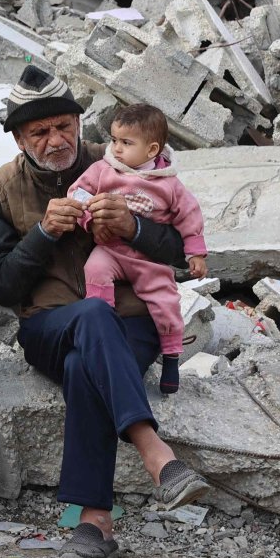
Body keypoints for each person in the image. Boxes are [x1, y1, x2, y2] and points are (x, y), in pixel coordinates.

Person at [0, 66, 208, 558]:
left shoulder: (126, 160)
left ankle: (93, 524)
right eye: (40, 132)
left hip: (129, 321)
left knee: (88, 363)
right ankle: (155, 453)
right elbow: (0, 287)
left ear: (80, 124)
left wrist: (136, 227)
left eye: (64, 126)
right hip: (49, 326)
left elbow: (177, 253)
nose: (56, 139)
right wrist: (42, 235)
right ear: (19, 138)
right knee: (87, 321)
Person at [70, 103, 208, 396]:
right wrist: (89, 221)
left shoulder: (169, 184)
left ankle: (171, 356)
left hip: (147, 258)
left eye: (126, 143)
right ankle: (104, 325)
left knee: (165, 300)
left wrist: (196, 253)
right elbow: (77, 193)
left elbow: (189, 216)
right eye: (115, 140)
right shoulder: (103, 170)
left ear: (151, 149)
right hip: (110, 249)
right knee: (93, 271)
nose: (117, 149)